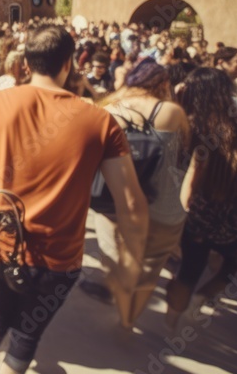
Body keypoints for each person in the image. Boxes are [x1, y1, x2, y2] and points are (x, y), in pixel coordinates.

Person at [0, 25, 148, 374]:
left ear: (28, 64)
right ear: (68, 63)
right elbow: (132, 204)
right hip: (56, 259)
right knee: (26, 334)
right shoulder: (100, 121)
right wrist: (132, 259)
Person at [82, 58, 190, 327]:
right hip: (159, 201)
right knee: (148, 268)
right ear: (162, 83)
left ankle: (120, 302)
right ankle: (127, 320)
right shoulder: (170, 111)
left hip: (113, 197)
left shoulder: (111, 106)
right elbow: (184, 150)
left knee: (113, 255)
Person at [166, 68, 237, 327]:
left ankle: (172, 321)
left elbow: (190, 180)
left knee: (189, 271)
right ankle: (201, 299)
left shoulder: (191, 128)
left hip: (198, 217)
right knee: (235, 261)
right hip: (233, 219)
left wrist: (183, 218)